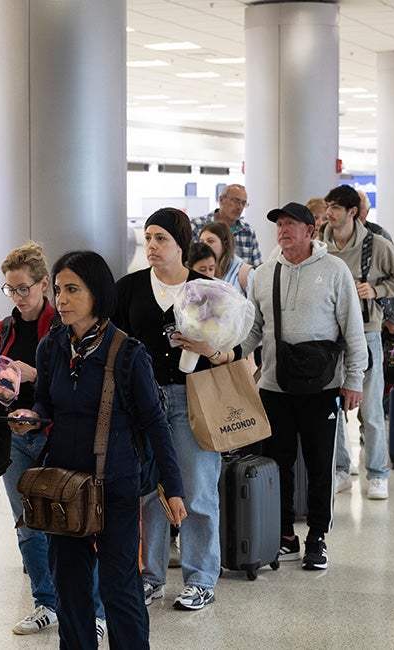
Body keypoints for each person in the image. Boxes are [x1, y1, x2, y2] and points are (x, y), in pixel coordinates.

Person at [9, 250, 186, 650]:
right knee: (69, 587)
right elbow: (47, 407)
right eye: (58, 290)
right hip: (63, 488)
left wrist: (173, 488)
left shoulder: (128, 353)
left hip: (116, 487)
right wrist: (31, 416)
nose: (63, 299)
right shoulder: (52, 347)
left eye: (73, 289)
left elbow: (156, 424)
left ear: (98, 293)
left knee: (118, 586)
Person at [114, 208, 231, 613]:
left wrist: (208, 348)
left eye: (161, 238)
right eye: (147, 237)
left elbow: (232, 350)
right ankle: (151, 576)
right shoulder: (128, 289)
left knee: (197, 488)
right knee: (148, 491)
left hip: (192, 397)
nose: (151, 246)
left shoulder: (207, 289)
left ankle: (200, 578)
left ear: (181, 243)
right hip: (141, 401)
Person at [0, 242, 107, 639]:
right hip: (15, 436)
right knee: (28, 524)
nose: (18, 297)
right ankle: (46, 603)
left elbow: (76, 385)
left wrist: (34, 375)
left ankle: (95, 609)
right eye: (10, 289)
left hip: (55, 437)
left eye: (24, 288)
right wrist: (2, 389)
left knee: (74, 522)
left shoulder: (64, 328)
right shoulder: (2, 330)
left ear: (43, 285)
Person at [240, 202, 367, 571]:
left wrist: (354, 380)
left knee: (319, 464)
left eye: (290, 224)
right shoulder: (264, 274)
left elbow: (352, 330)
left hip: (322, 387)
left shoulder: (334, 271)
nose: (283, 230)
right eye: (279, 224)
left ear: (310, 230)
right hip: (274, 386)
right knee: (277, 465)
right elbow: (253, 330)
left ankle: (317, 536)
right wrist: (227, 353)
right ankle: (283, 536)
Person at [318, 185, 394, 500]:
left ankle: (377, 474)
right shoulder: (319, 244)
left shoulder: (375, 245)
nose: (329, 213)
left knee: (371, 409)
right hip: (327, 334)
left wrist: (376, 290)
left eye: (336, 207)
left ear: (352, 212)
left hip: (366, 331)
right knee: (329, 407)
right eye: (328, 206)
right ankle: (340, 470)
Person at [189, 184, 263, 267]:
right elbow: (188, 262)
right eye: (236, 201)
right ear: (221, 200)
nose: (239, 207)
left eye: (243, 203)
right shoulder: (197, 226)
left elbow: (258, 268)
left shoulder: (247, 232)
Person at [197, 221, 252, 295]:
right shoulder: (197, 270)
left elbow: (255, 303)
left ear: (225, 244)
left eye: (210, 241)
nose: (205, 246)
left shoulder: (244, 273)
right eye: (202, 242)